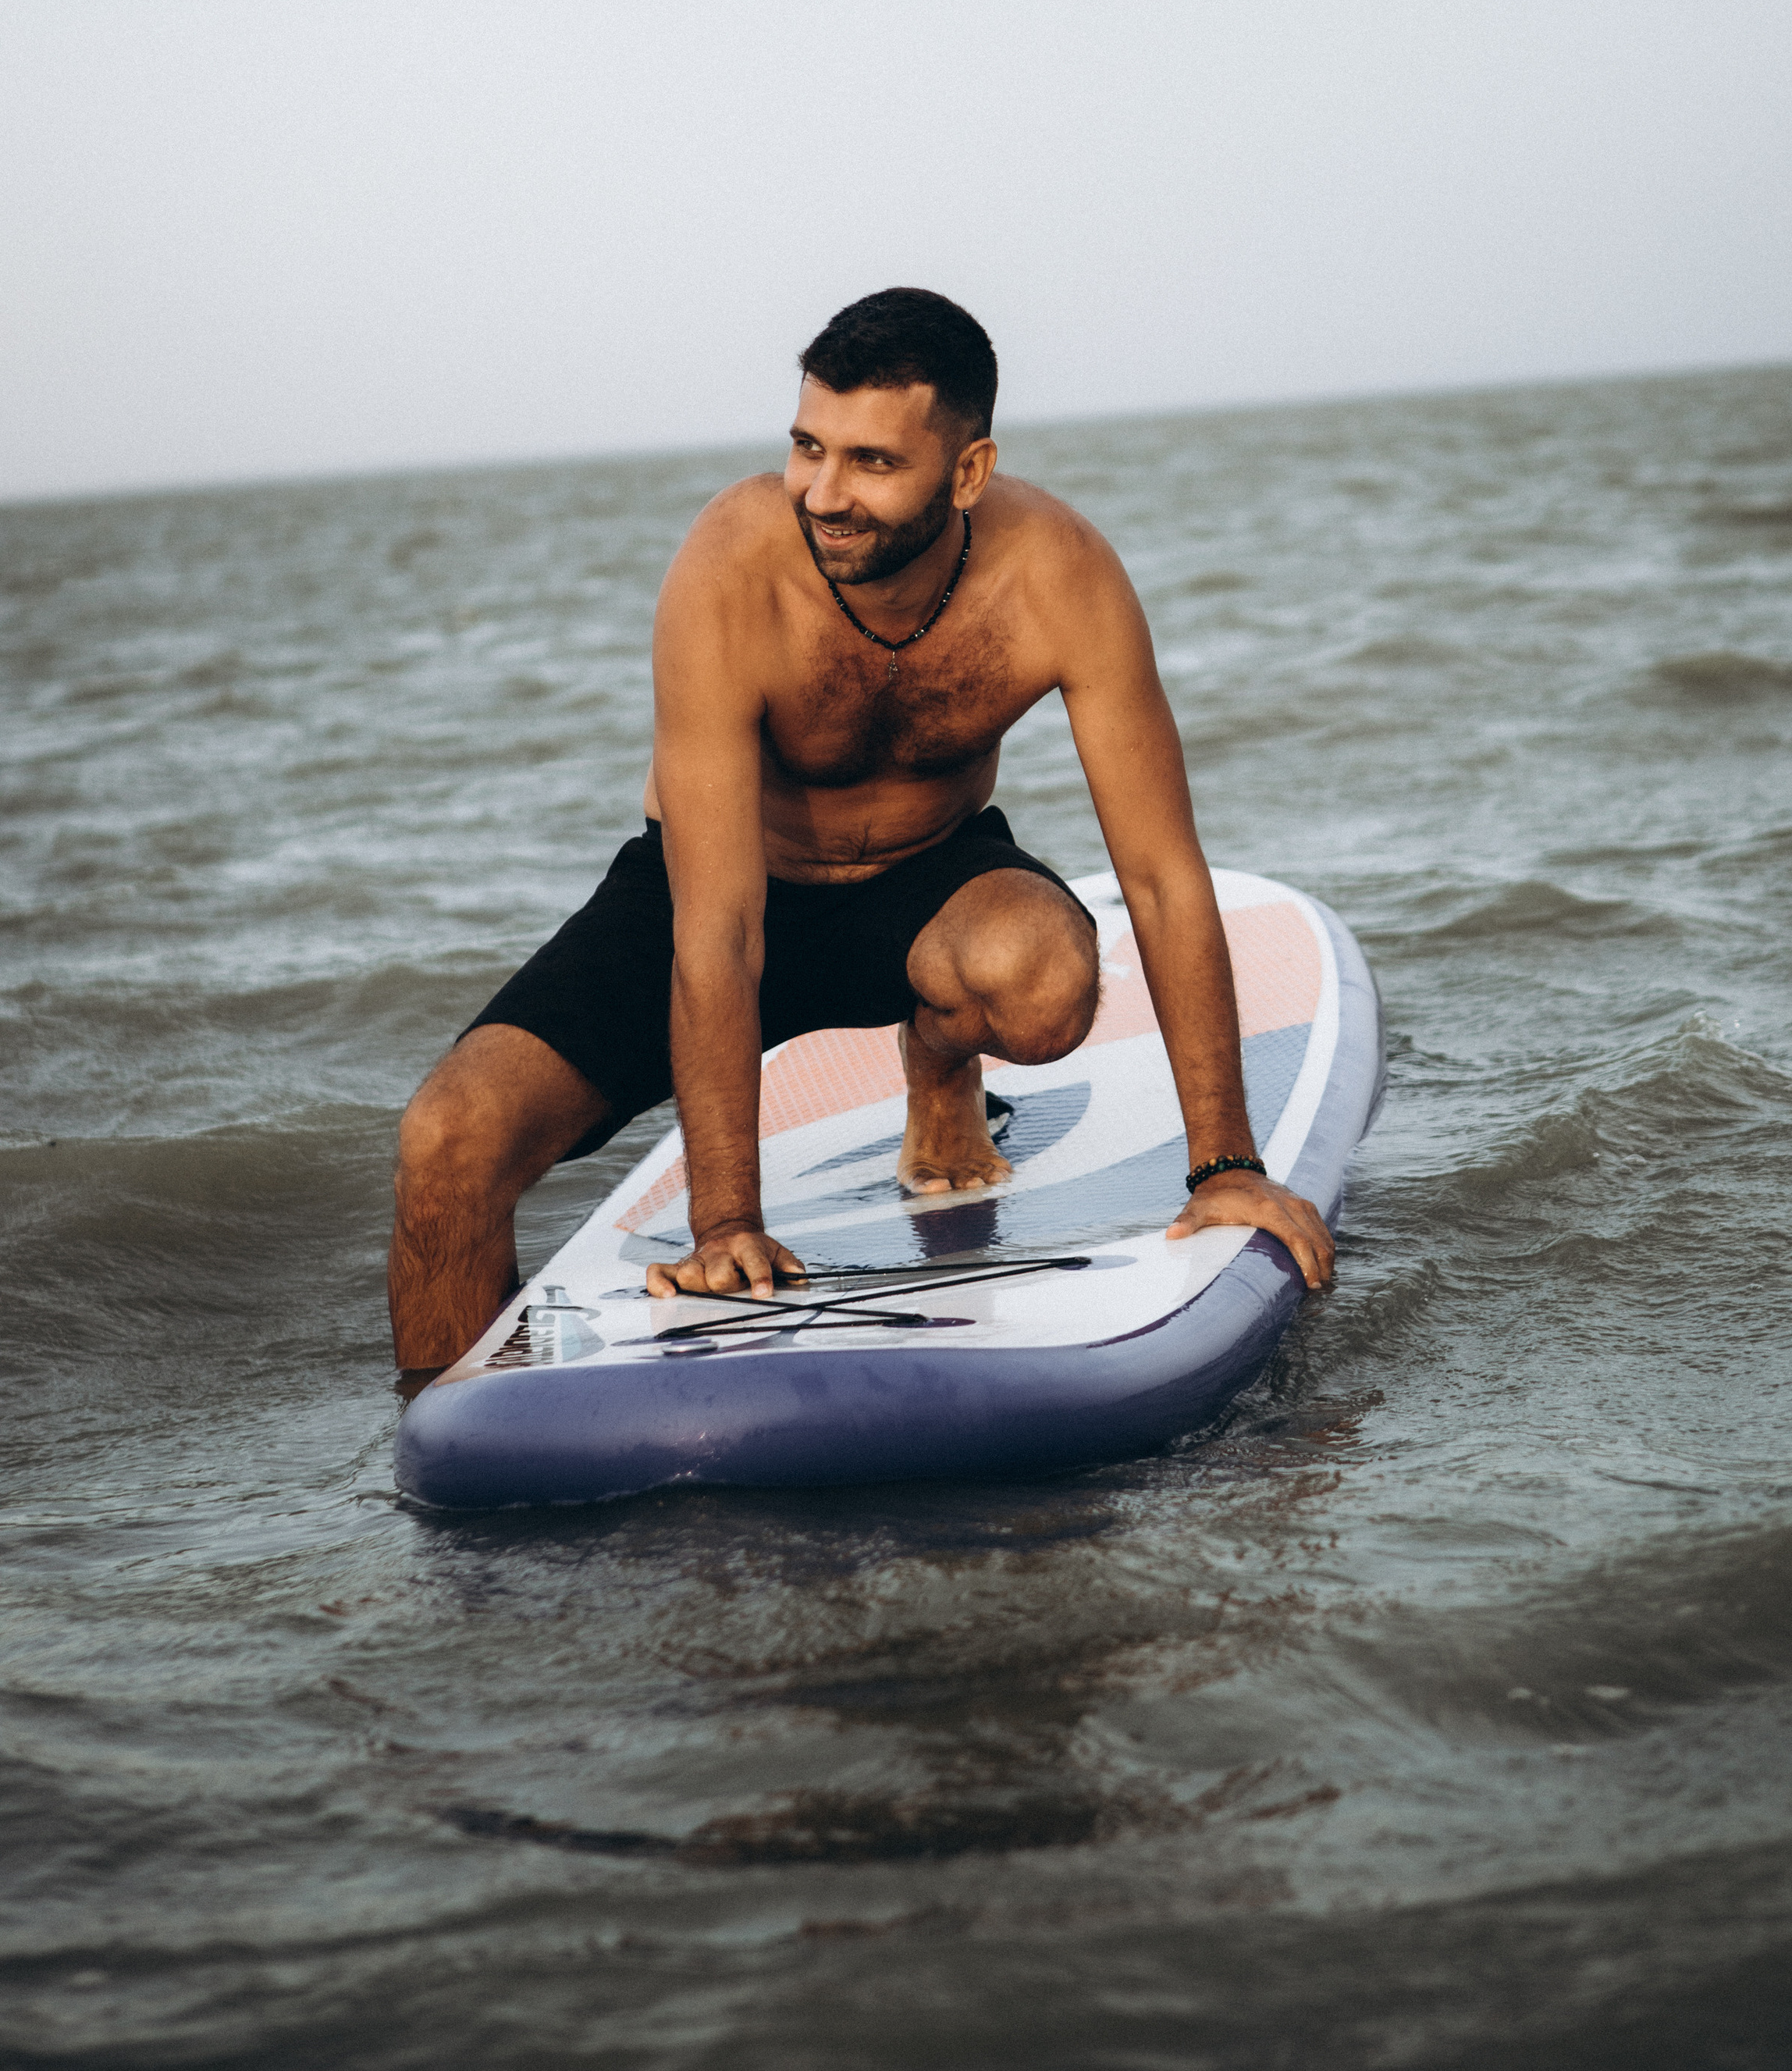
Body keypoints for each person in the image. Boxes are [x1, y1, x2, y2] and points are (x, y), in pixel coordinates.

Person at [389, 286, 1335, 1375]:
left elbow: (1164, 880)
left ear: (967, 471)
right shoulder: (733, 568)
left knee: (1043, 983)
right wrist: (725, 1224)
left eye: (873, 463)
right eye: (807, 448)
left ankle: (940, 1061)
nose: (824, 494)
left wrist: (1224, 1167)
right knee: (447, 1147)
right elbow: (716, 926)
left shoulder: (1059, 575)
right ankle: (448, 1474)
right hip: (714, 894)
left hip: (926, 879)